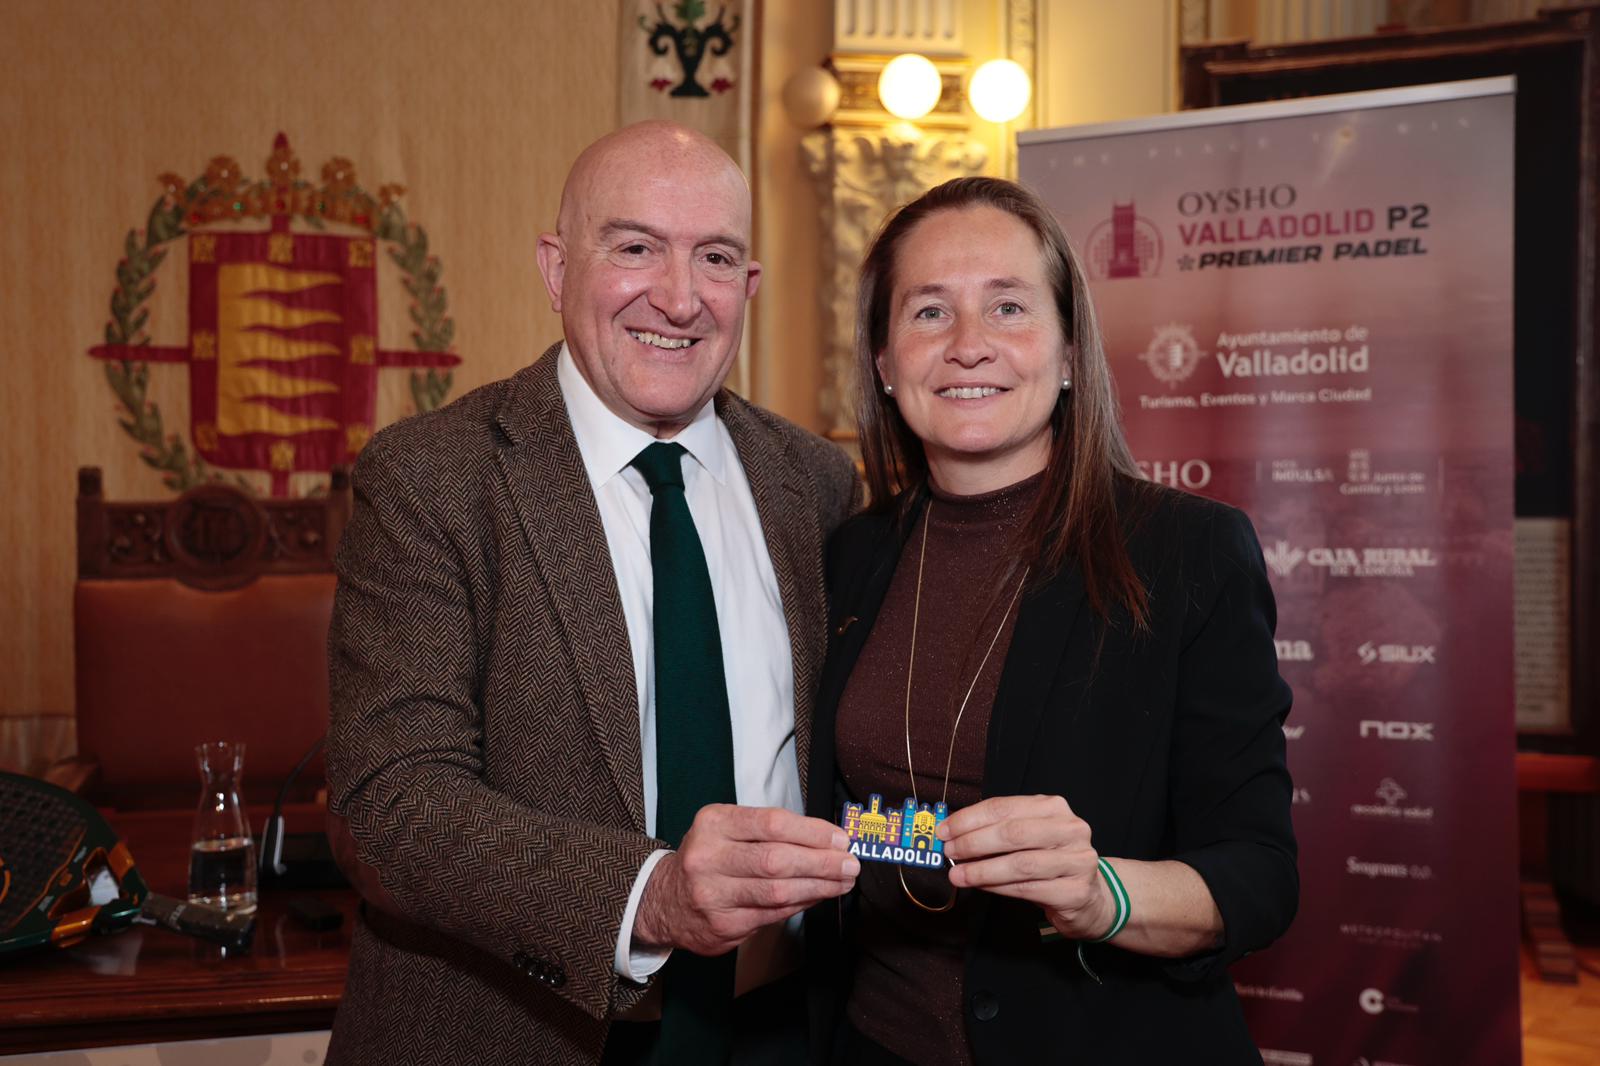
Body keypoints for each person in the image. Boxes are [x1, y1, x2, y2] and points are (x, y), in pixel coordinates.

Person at [325, 121, 861, 1066]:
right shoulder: (431, 479)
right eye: (636, 248)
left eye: (715, 257)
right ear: (556, 268)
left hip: (782, 1032)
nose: (680, 298)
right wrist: (649, 898)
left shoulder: (817, 483)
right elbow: (394, 802)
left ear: (748, 285)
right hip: (516, 1035)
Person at [804, 177, 1298, 1065]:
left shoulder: (1186, 553)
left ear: (1070, 353)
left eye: (1008, 306)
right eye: (928, 312)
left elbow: (1260, 875)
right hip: (871, 1043)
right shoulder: (851, 554)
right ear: (884, 363)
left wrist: (1104, 895)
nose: (968, 345)